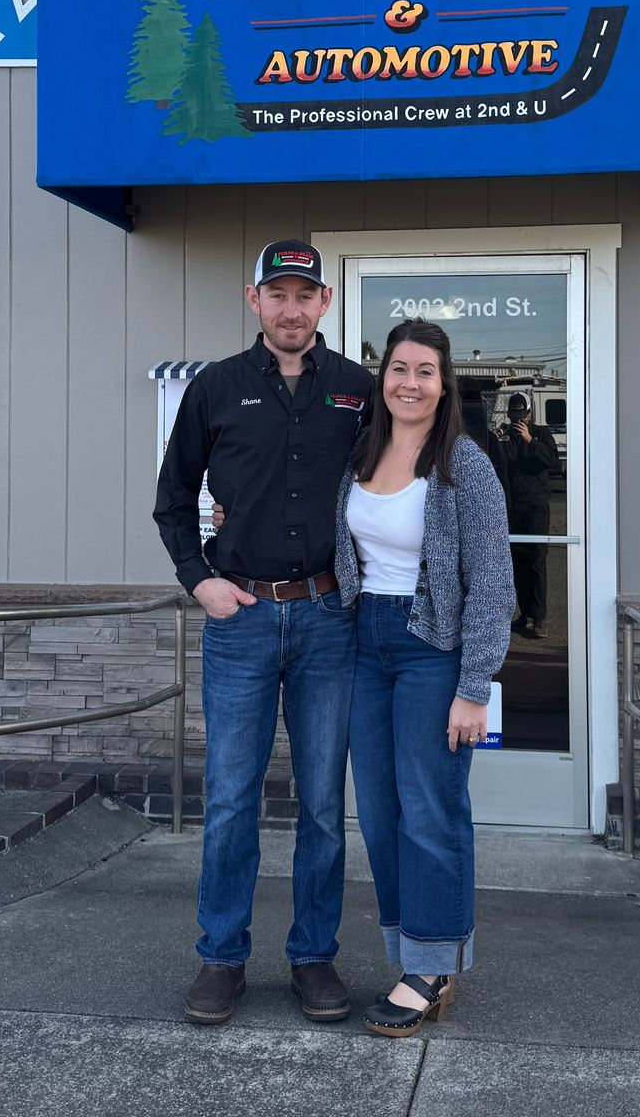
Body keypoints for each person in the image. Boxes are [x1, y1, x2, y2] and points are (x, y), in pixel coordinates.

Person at [153, 238, 375, 1027]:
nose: (291, 308)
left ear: (324, 304)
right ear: (255, 302)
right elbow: (173, 499)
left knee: (321, 803)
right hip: (240, 618)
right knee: (231, 799)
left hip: (327, 619)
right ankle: (222, 957)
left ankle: (314, 956)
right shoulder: (215, 389)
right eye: (276, 294)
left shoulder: (358, 390)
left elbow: (396, 488)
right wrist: (199, 579)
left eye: (304, 295)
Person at [333, 318, 515, 1037]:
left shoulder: (464, 465)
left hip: (429, 647)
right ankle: (409, 954)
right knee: (378, 812)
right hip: (362, 642)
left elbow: (493, 581)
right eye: (399, 368)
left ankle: (434, 968)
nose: (410, 383)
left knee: (431, 806)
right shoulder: (360, 450)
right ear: (383, 378)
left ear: (445, 386)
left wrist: (475, 686)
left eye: (425, 372)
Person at [496, 392, 559, 636]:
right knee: (517, 563)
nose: (517, 421)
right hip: (513, 506)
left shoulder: (541, 434)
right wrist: (498, 439)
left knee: (536, 560)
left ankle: (539, 618)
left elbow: (551, 461)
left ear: (530, 413)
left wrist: (530, 440)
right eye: (514, 416)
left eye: (521, 416)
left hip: (535, 506)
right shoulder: (506, 436)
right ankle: (524, 613)